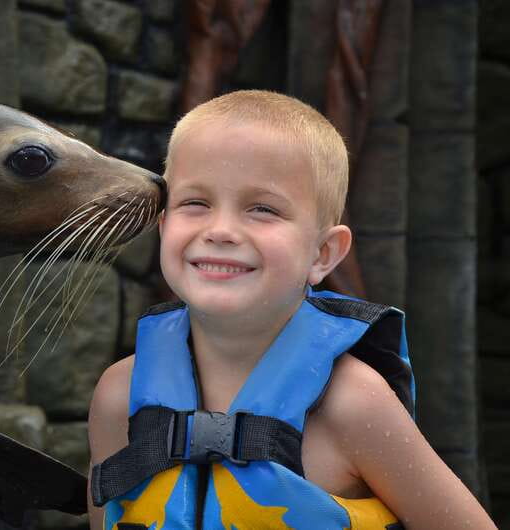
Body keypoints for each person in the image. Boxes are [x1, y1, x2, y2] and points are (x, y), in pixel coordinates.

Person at [87, 90, 495, 529]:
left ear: (323, 253)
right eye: (195, 203)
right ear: (164, 226)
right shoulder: (118, 397)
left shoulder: (354, 404)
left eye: (262, 209)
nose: (221, 230)